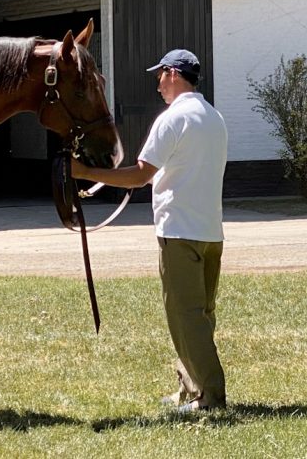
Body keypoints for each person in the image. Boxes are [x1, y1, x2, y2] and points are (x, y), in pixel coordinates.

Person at [71, 48, 228, 413]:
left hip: (179, 232)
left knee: (185, 317)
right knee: (201, 315)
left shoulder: (172, 119)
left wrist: (85, 173)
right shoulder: (214, 117)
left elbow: (141, 174)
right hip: (211, 232)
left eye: (160, 75)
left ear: (173, 74)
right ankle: (190, 390)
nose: (158, 84)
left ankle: (212, 399)